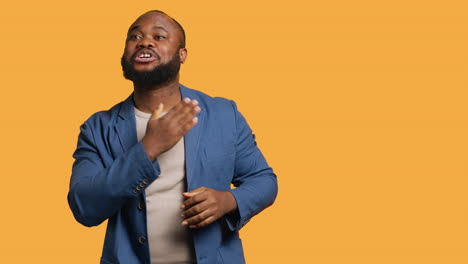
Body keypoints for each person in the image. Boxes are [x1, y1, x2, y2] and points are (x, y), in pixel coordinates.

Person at [68, 10, 278, 264]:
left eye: (159, 36)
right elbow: (84, 207)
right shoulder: (97, 128)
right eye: (135, 36)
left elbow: (264, 181)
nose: (145, 41)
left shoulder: (224, 114)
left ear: (182, 54)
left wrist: (229, 200)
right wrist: (149, 147)